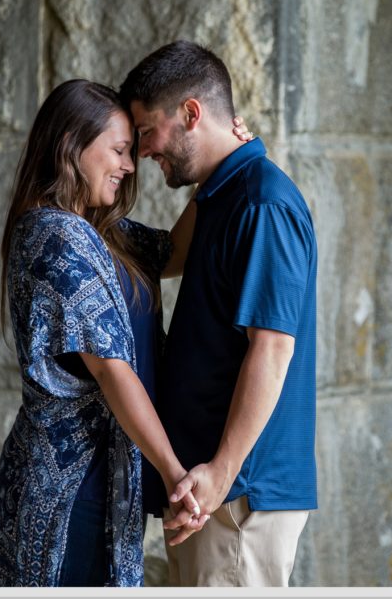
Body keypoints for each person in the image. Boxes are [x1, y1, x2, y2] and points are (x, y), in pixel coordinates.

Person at [0, 79, 250, 586]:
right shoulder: (54, 236)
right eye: (120, 150)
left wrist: (220, 166)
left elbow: (174, 252)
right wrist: (176, 476)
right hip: (69, 493)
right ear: (71, 147)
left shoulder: (101, 230)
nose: (130, 165)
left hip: (107, 480)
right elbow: (112, 371)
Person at [119, 41, 318, 587]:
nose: (139, 153)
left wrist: (219, 474)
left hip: (236, 497)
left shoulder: (262, 204)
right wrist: (80, 217)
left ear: (190, 113)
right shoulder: (225, 191)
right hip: (210, 492)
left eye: (145, 134)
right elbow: (164, 257)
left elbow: (273, 348)